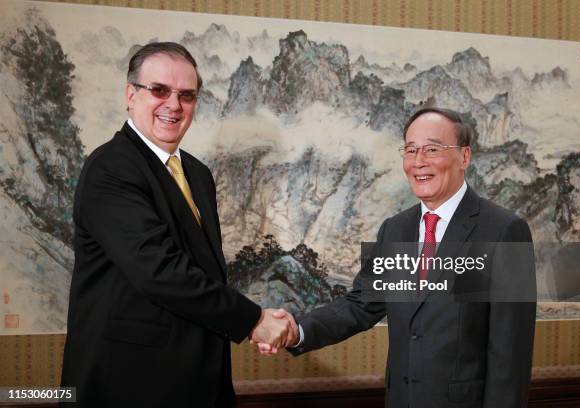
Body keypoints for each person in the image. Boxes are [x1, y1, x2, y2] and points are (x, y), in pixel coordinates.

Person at [61, 42, 296, 407]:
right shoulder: (110, 168)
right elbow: (161, 272)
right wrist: (254, 321)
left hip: (198, 384)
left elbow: (204, 270)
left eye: (187, 95)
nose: (174, 105)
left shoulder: (198, 175)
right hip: (129, 386)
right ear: (131, 95)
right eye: (159, 90)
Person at [263, 107, 536, 408]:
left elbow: (510, 354)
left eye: (433, 149)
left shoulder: (503, 230)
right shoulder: (395, 230)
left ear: (464, 157)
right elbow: (359, 305)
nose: (419, 162)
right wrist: (297, 331)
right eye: (410, 150)